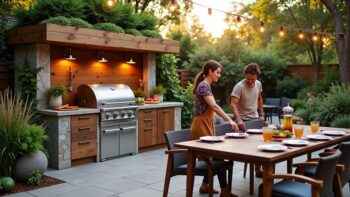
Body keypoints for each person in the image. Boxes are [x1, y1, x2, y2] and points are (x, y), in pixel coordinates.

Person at [191, 60, 239, 197]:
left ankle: (204, 186)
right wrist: (229, 120)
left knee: (211, 156)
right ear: (210, 72)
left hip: (206, 123)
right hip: (201, 126)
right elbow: (215, 106)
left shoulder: (205, 86)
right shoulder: (204, 86)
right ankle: (225, 191)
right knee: (217, 156)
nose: (219, 75)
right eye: (217, 72)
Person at [230, 63, 265, 177]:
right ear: (245, 75)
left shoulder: (258, 84)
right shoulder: (239, 86)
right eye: (248, 78)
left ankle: (258, 169)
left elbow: (259, 99)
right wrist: (239, 120)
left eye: (253, 79)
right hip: (243, 121)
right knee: (249, 147)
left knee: (260, 144)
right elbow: (233, 104)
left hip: (255, 119)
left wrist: (261, 114)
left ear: (257, 77)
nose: (250, 81)